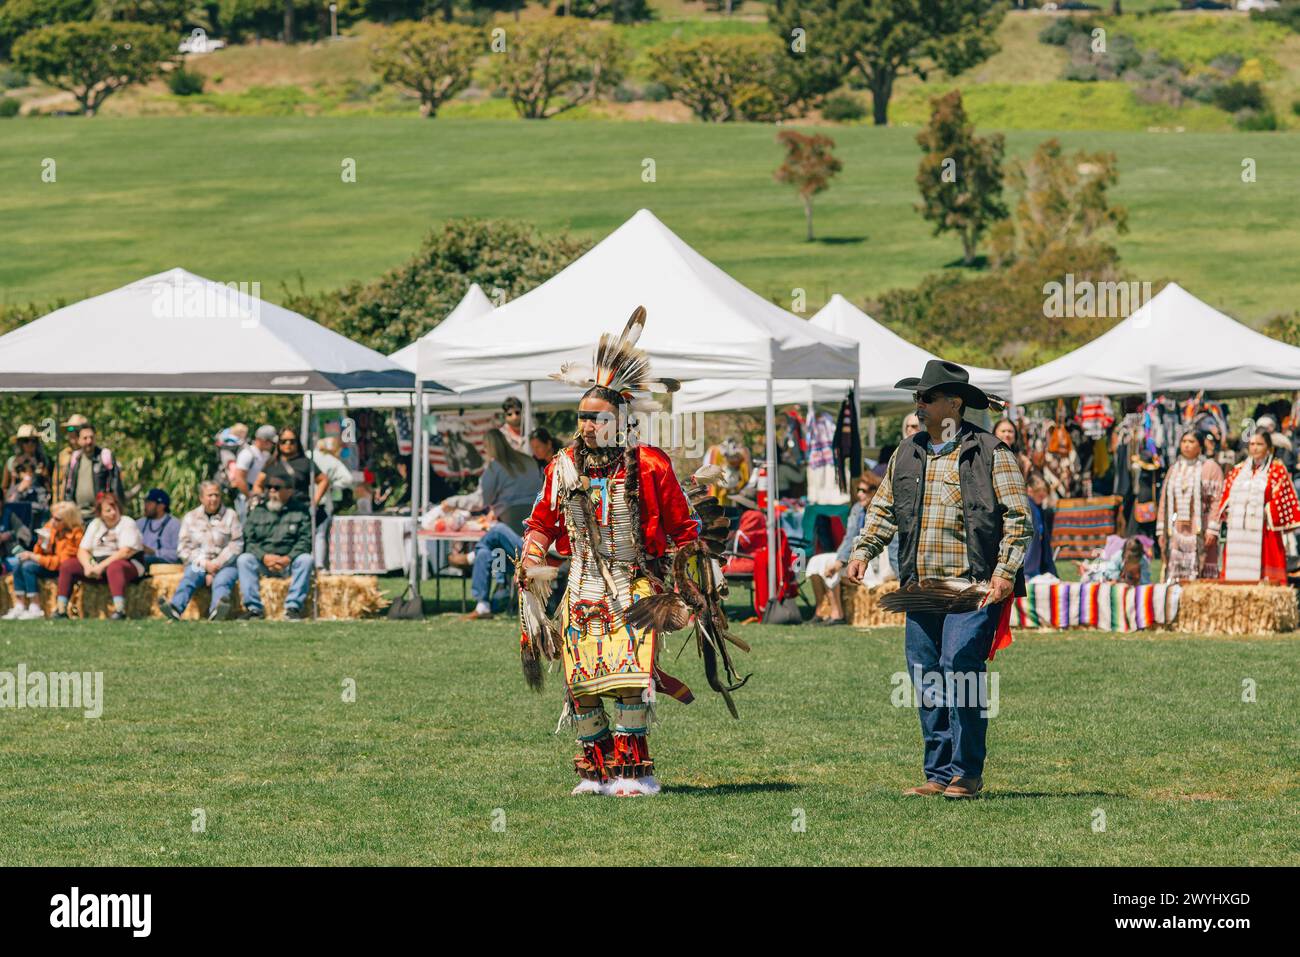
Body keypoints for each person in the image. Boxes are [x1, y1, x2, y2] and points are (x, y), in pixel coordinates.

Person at [518, 307, 717, 798]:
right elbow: (543, 520)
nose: (586, 426)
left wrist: (694, 583)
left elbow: (682, 527)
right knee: (582, 684)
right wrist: (531, 558)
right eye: (582, 417)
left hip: (634, 587)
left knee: (629, 680)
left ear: (619, 419)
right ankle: (596, 771)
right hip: (582, 590)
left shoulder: (649, 464)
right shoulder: (563, 466)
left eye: (597, 418)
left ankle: (636, 773)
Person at [845, 359, 1030, 800]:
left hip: (972, 586)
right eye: (917, 398)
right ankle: (939, 772)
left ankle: (967, 772)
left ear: (954, 403)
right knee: (926, 676)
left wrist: (1004, 574)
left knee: (959, 668)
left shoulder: (991, 452)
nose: (920, 405)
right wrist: (862, 551)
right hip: (920, 588)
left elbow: (1019, 518)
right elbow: (883, 510)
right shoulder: (905, 452)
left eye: (927, 398)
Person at [1211, 430, 1300, 585]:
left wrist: (1265, 510)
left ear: (1269, 448)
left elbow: (1282, 498)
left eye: (1260, 444)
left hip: (1265, 531)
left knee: (1267, 578)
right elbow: (1225, 497)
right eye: (1252, 444)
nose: (1255, 448)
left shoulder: (1277, 470)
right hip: (1238, 532)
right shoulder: (1238, 470)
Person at [805, 473, 890, 626]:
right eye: (858, 490)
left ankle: (837, 614)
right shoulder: (857, 509)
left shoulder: (883, 509)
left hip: (874, 559)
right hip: (854, 555)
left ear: (874, 491)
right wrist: (840, 560)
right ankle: (820, 611)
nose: (859, 494)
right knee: (815, 561)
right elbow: (849, 537)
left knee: (831, 564)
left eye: (863, 491)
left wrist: (839, 562)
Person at [159, 481, 244, 622]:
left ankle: (217, 611)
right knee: (190, 576)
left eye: (217, 495)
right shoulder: (190, 518)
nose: (214, 499)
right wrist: (205, 564)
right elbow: (183, 549)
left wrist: (217, 564)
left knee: (222, 580)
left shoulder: (230, 516)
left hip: (225, 564)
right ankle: (175, 608)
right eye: (210, 495)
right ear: (201, 498)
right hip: (198, 563)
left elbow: (237, 544)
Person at [236, 476, 314, 621]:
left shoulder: (300, 512)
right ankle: (253, 609)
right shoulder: (257, 512)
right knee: (244, 559)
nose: (272, 491)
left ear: (289, 491)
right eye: (268, 488)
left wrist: (288, 558)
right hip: (263, 562)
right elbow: (248, 540)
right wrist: (264, 557)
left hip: (289, 562)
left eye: (277, 488)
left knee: (306, 559)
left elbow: (305, 541)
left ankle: (293, 608)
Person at [56, 492, 143, 620]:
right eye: (108, 510)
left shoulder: (127, 522)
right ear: (100, 513)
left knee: (115, 567)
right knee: (68, 566)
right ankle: (61, 609)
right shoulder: (96, 524)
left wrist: (101, 566)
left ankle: (120, 610)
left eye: (115, 508)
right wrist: (87, 566)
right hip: (97, 564)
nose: (113, 513)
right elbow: (83, 550)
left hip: (125, 564)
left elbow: (125, 552)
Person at [1156, 431, 1224, 582]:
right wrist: (1162, 530)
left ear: (1200, 446)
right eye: (1184, 441)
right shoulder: (1174, 470)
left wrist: (1212, 528)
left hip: (1201, 529)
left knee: (1202, 571)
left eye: (1191, 442)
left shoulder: (1210, 467)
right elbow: (1164, 503)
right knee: (1176, 575)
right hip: (1177, 530)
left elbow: (1217, 500)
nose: (1186, 445)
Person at [3, 501, 82, 620]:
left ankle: (35, 607)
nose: (53, 521)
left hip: (61, 570)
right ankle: (19, 605)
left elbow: (61, 562)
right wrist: (42, 544)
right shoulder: (51, 527)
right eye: (52, 517)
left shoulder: (76, 534)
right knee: (19, 563)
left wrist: (35, 557)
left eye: (57, 519)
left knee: (28, 566)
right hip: (47, 563)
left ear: (68, 520)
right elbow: (37, 552)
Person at [448, 517, 524, 621]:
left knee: (499, 529)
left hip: (539, 554)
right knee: (483, 553)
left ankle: (471, 557)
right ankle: (482, 607)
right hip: (516, 555)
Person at [62, 425, 125, 523]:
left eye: (91, 437)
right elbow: (69, 487)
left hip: (99, 516)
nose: (89, 441)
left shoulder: (104, 456)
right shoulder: (75, 458)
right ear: (78, 440)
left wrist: (117, 511)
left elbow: (116, 485)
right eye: (85, 438)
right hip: (78, 516)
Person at [308, 436, 353, 567]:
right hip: (322, 501)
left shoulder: (308, 456)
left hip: (304, 498)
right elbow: (348, 479)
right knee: (320, 534)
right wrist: (332, 486)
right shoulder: (332, 461)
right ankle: (319, 564)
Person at [231, 425, 276, 521]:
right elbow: (239, 478)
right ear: (262, 440)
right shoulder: (247, 454)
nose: (272, 445)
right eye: (270, 442)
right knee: (245, 521)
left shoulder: (265, 455)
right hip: (246, 495)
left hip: (258, 493)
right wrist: (249, 495)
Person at [1022, 474, 1058, 578]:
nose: (1042, 493)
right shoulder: (1028, 506)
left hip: (1035, 561)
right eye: (1039, 490)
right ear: (1029, 490)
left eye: (1044, 490)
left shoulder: (1038, 508)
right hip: (1027, 562)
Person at [137, 488, 181, 569]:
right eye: (145, 502)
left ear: (161, 506)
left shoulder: (174, 524)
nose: (145, 506)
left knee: (145, 560)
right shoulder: (140, 522)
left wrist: (154, 552)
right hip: (141, 559)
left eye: (149, 503)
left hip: (164, 563)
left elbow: (178, 554)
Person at [3, 424, 51, 495]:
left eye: (33, 440)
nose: (30, 444)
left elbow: (51, 485)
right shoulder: (12, 462)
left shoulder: (45, 461)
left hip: (39, 502)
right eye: (26, 440)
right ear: (20, 443)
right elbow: (5, 487)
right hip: (17, 502)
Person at [53, 414, 88, 496]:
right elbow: (56, 485)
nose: (72, 433)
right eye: (70, 429)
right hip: (66, 504)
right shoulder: (63, 455)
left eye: (77, 430)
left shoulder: (94, 454)